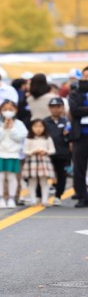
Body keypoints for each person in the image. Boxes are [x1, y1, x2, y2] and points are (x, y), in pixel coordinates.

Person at [0, 100, 28, 208]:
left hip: (13, 154)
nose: (8, 112)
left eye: (11, 109)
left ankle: (11, 198)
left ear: (16, 111)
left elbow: (21, 137)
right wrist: (3, 128)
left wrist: (11, 129)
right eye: (5, 109)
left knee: (12, 177)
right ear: (0, 111)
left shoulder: (19, 124)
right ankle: (1, 198)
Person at [43, 97, 71, 206]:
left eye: (58, 106)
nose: (56, 109)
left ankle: (58, 196)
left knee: (62, 175)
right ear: (49, 108)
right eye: (53, 107)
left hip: (63, 153)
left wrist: (68, 134)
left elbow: (72, 139)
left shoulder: (67, 122)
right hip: (47, 153)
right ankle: (41, 195)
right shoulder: (45, 122)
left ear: (63, 107)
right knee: (43, 175)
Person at [22, 119, 55, 206]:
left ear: (44, 127)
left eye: (40, 126)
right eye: (35, 126)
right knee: (32, 182)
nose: (38, 129)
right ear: (31, 128)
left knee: (44, 182)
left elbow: (52, 150)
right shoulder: (29, 138)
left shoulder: (47, 138)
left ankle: (44, 200)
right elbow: (25, 151)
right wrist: (33, 151)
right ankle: (33, 200)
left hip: (44, 161)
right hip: (32, 161)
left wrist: (45, 151)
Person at [68, 77, 88, 208]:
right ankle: (82, 196)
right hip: (80, 136)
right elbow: (74, 110)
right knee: (79, 168)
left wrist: (83, 109)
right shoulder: (75, 93)